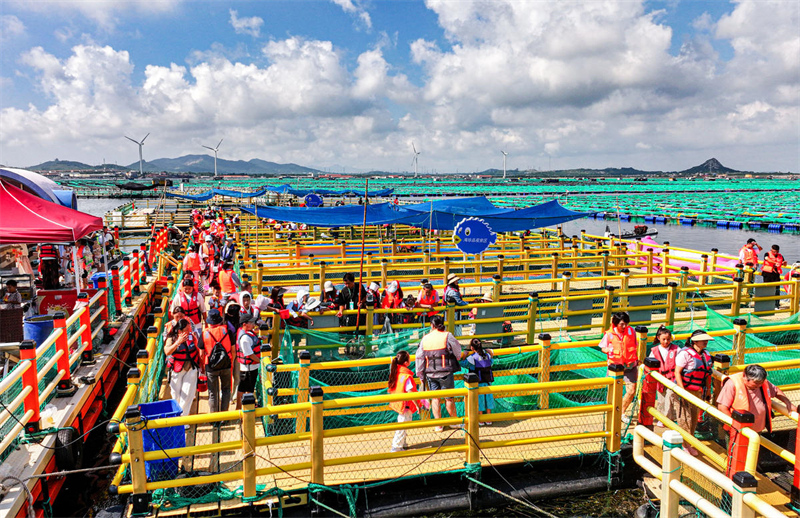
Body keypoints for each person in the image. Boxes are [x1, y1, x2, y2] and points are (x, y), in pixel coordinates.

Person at [716, 364, 797, 474]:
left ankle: (748, 477)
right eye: (755, 384)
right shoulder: (732, 383)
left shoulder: (761, 383)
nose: (758, 386)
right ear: (745, 376)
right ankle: (732, 483)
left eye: (760, 384)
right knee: (736, 458)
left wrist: (787, 402)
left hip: (756, 430)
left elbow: (775, 391)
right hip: (737, 431)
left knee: (751, 458)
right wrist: (734, 428)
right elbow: (722, 407)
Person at [415, 315, 462, 432]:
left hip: (430, 373)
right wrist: (458, 357)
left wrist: (420, 374)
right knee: (449, 398)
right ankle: (454, 422)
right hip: (446, 372)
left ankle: (438, 425)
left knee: (435, 398)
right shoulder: (447, 335)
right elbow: (457, 350)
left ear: (432, 325)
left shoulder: (425, 338)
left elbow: (419, 357)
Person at [674, 330, 714, 456]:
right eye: (703, 340)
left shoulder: (706, 354)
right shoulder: (685, 354)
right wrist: (682, 391)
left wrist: (707, 390)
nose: (706, 342)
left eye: (706, 340)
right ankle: (683, 444)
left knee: (693, 418)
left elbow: (707, 374)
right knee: (684, 418)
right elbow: (677, 372)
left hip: (697, 391)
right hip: (684, 390)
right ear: (695, 341)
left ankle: (689, 442)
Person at [599, 312, 639, 423]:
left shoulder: (632, 331)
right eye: (622, 324)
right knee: (613, 392)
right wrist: (606, 350)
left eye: (626, 323)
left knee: (631, 391)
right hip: (615, 367)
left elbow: (635, 345)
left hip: (630, 365)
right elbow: (602, 346)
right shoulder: (609, 334)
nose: (624, 326)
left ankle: (621, 411)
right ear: (615, 323)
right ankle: (611, 412)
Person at [164, 319, 201, 417]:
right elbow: (167, 351)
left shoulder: (192, 336)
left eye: (189, 329)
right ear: (180, 331)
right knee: (175, 394)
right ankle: (177, 415)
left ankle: (183, 419)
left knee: (188, 394)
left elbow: (199, 350)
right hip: (177, 368)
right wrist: (178, 342)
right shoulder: (171, 338)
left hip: (191, 368)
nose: (189, 331)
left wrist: (202, 367)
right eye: (186, 329)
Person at [200, 309, 233, 413]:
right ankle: (224, 416)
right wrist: (231, 361)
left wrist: (202, 367)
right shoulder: (228, 331)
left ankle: (214, 418)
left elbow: (201, 353)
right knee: (226, 390)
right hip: (226, 364)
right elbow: (233, 349)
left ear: (209, 322)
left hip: (211, 366)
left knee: (212, 393)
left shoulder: (205, 333)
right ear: (220, 320)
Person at [388, 350, 421, 452]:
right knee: (402, 425)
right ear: (406, 363)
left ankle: (403, 443)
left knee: (404, 424)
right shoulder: (407, 376)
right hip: (405, 405)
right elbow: (410, 392)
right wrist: (418, 405)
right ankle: (396, 446)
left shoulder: (397, 372)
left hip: (400, 404)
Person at [648, 326, 679, 426]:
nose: (666, 341)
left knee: (669, 397)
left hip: (672, 379)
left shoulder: (676, 349)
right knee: (661, 400)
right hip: (660, 379)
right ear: (658, 338)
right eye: (664, 339)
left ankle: (665, 419)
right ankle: (661, 417)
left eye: (668, 339)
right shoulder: (654, 350)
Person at [465, 338, 494, 425]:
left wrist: (463, 356)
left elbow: (463, 363)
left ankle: (480, 419)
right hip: (488, 382)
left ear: (472, 348)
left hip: (478, 383)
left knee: (479, 400)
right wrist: (491, 354)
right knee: (489, 399)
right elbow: (491, 362)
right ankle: (488, 418)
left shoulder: (472, 358)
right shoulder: (487, 356)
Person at [235, 313, 261, 410]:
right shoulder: (245, 338)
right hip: (248, 368)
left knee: (244, 388)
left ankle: (242, 408)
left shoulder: (247, 333)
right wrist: (261, 361)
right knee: (247, 389)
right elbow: (249, 354)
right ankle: (243, 409)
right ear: (244, 324)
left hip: (250, 367)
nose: (253, 324)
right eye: (251, 322)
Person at [760, 245, 787, 309]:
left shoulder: (780, 256)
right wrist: (775, 262)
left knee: (776, 290)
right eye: (774, 251)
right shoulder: (767, 254)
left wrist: (784, 263)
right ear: (771, 250)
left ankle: (776, 305)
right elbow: (767, 259)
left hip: (776, 274)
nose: (775, 253)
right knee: (767, 289)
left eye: (776, 252)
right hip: (767, 273)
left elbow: (783, 263)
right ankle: (765, 303)